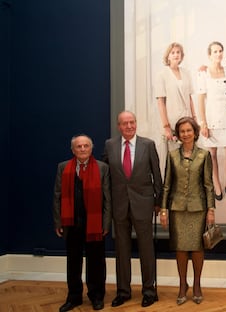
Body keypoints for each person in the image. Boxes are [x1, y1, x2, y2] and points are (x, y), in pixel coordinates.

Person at [102, 111, 162, 307]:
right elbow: (106, 176)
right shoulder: (110, 145)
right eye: (125, 123)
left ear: (136, 124)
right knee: (122, 250)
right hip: (119, 205)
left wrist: (158, 202)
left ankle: (148, 291)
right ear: (119, 126)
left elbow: (157, 175)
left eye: (132, 122)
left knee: (146, 249)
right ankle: (123, 291)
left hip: (143, 204)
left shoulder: (148, 145)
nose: (129, 126)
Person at [159, 117, 215, 305]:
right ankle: (183, 285)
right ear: (178, 134)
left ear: (195, 132)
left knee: (197, 248)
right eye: (182, 131)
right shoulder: (172, 156)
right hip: (176, 209)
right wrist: (164, 210)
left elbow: (208, 185)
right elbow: (166, 185)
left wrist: (211, 209)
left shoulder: (204, 155)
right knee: (180, 249)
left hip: (198, 208)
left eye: (188, 130)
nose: (185, 134)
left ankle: (197, 284)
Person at [53, 134, 111, 312]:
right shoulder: (63, 167)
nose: (83, 149)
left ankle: (96, 296)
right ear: (73, 150)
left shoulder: (102, 168)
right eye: (79, 147)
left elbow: (107, 199)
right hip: (72, 223)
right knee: (73, 262)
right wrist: (58, 222)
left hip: (95, 224)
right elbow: (57, 196)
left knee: (96, 262)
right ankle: (74, 297)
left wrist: (106, 224)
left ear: (91, 148)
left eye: (86, 146)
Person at [197, 41, 226, 200]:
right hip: (211, 119)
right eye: (215, 51)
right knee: (212, 156)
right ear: (209, 55)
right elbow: (200, 100)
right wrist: (203, 123)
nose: (218, 54)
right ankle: (216, 186)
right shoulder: (203, 74)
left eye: (220, 51)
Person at [154, 42, 197, 170]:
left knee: (188, 158)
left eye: (178, 52)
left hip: (187, 120)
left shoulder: (186, 73)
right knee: (174, 161)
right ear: (168, 56)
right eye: (173, 52)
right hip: (172, 122)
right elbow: (160, 102)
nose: (176, 55)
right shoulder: (162, 75)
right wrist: (166, 126)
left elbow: (189, 98)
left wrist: (194, 118)